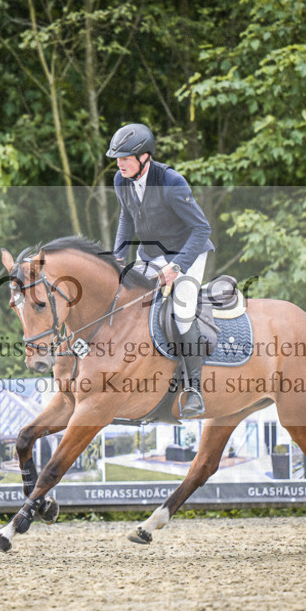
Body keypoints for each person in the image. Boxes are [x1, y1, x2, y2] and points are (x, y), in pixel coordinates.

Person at [107, 123, 214, 418]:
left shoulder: (171, 182)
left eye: (125, 157)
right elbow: (126, 220)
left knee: (181, 314)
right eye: (117, 158)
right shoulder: (121, 180)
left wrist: (176, 267)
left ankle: (194, 390)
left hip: (188, 254)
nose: (119, 163)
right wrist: (117, 256)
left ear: (144, 157)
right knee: (124, 303)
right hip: (151, 255)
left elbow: (202, 229)